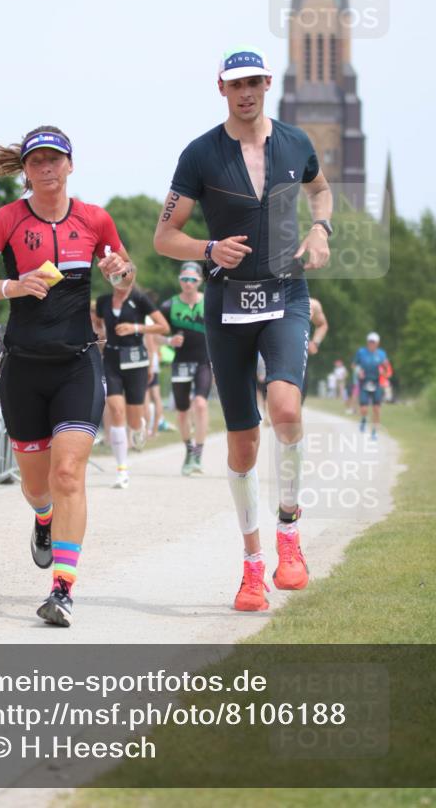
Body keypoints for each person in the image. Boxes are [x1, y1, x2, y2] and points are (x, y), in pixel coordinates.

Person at [154, 47, 332, 612]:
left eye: (255, 82)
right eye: (236, 85)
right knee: (243, 441)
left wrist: (322, 227)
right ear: (222, 90)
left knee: (285, 408)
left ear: (267, 84)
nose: (247, 92)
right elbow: (165, 237)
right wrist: (209, 248)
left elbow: (320, 189)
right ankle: (252, 566)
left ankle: (289, 531)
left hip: (285, 293)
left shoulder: (297, 143)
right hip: (227, 306)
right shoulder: (201, 154)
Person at [0, 125, 129, 627]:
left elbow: (122, 276)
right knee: (38, 488)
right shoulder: (7, 219)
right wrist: (14, 285)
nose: (47, 168)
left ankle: (63, 589)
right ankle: (43, 519)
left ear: (70, 165)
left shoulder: (95, 219)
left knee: (68, 474)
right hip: (24, 368)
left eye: (56, 159)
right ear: (26, 171)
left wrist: (122, 271)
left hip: (78, 362)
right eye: (38, 161)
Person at [95, 272, 168, 488]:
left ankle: (139, 427)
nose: (122, 285)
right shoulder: (103, 301)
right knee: (116, 410)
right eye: (117, 280)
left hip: (135, 359)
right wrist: (100, 334)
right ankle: (122, 469)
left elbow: (163, 326)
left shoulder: (140, 299)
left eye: (126, 281)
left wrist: (135, 328)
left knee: (134, 422)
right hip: (111, 357)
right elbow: (99, 323)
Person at [160, 261, 213, 475]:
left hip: (204, 360)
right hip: (181, 361)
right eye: (184, 279)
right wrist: (169, 341)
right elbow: (154, 334)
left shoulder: (210, 302)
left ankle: (198, 453)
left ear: (200, 281)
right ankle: (189, 450)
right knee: (182, 413)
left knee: (200, 404)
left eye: (192, 279)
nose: (188, 283)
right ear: (179, 280)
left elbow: (225, 328)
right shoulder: (168, 306)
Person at [354, 332, 389, 439]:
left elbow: (386, 368)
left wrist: (384, 371)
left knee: (376, 409)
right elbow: (354, 365)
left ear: (377, 343)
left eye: (373, 342)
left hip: (376, 383)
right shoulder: (361, 352)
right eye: (370, 342)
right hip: (364, 382)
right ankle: (363, 418)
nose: (371, 344)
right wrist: (358, 371)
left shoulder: (382, 354)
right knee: (364, 409)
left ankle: (374, 431)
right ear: (367, 342)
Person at [302, 296, 328, 401]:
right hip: (274, 358)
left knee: (298, 403)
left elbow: (322, 324)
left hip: (300, 360)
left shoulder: (311, 304)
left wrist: (315, 343)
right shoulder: (271, 296)